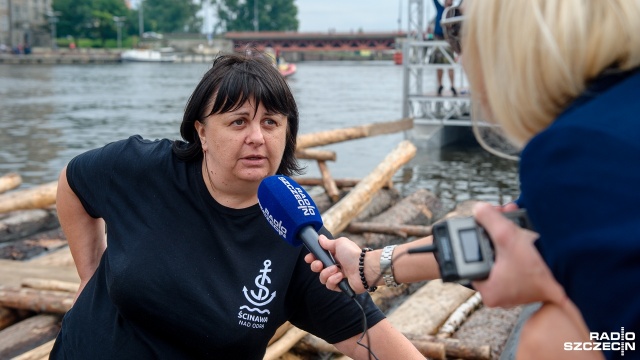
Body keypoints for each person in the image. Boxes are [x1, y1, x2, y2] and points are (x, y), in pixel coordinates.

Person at [307, 1, 640, 359]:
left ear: (508, 36)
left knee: (552, 336)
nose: (459, 58)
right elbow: (524, 229)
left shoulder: (576, 148)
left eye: (459, 33)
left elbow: (622, 337)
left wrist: (550, 287)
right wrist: (370, 265)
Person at [49, 51, 424, 359]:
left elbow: (377, 343)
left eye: (272, 122)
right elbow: (73, 182)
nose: (257, 137)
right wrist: (90, 271)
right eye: (238, 121)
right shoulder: (143, 169)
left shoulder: (299, 237)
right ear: (202, 132)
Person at [431, 0, 457, 96]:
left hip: (448, 40)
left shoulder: (453, 11)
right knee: (439, 64)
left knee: (450, 64)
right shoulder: (440, 8)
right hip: (439, 39)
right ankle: (440, 85)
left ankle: (452, 86)